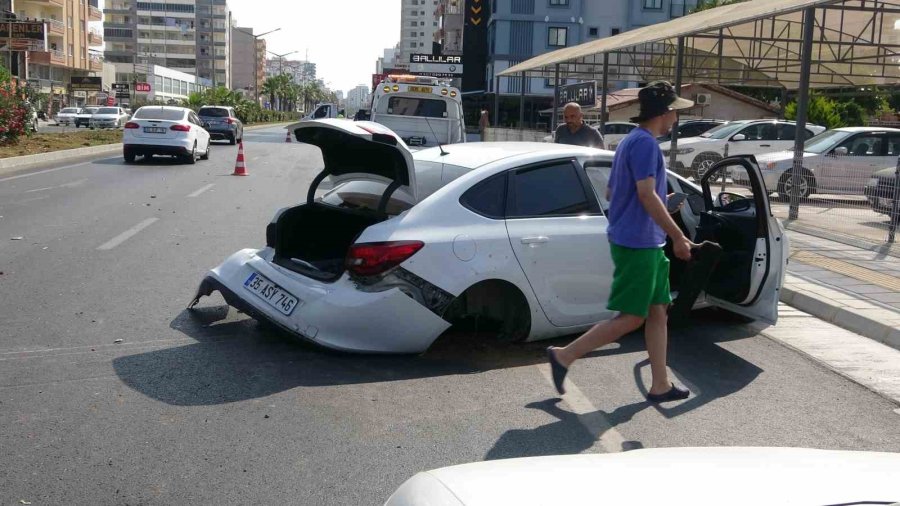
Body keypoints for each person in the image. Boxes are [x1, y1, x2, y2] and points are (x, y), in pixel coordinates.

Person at [546, 81, 696, 403]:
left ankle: (660, 385)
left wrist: (660, 203)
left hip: (642, 240)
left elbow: (615, 193)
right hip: (638, 243)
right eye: (674, 111)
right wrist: (679, 235)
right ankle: (564, 356)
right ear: (665, 112)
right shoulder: (646, 146)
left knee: (658, 311)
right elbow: (644, 194)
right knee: (632, 317)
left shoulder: (630, 142)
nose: (676, 118)